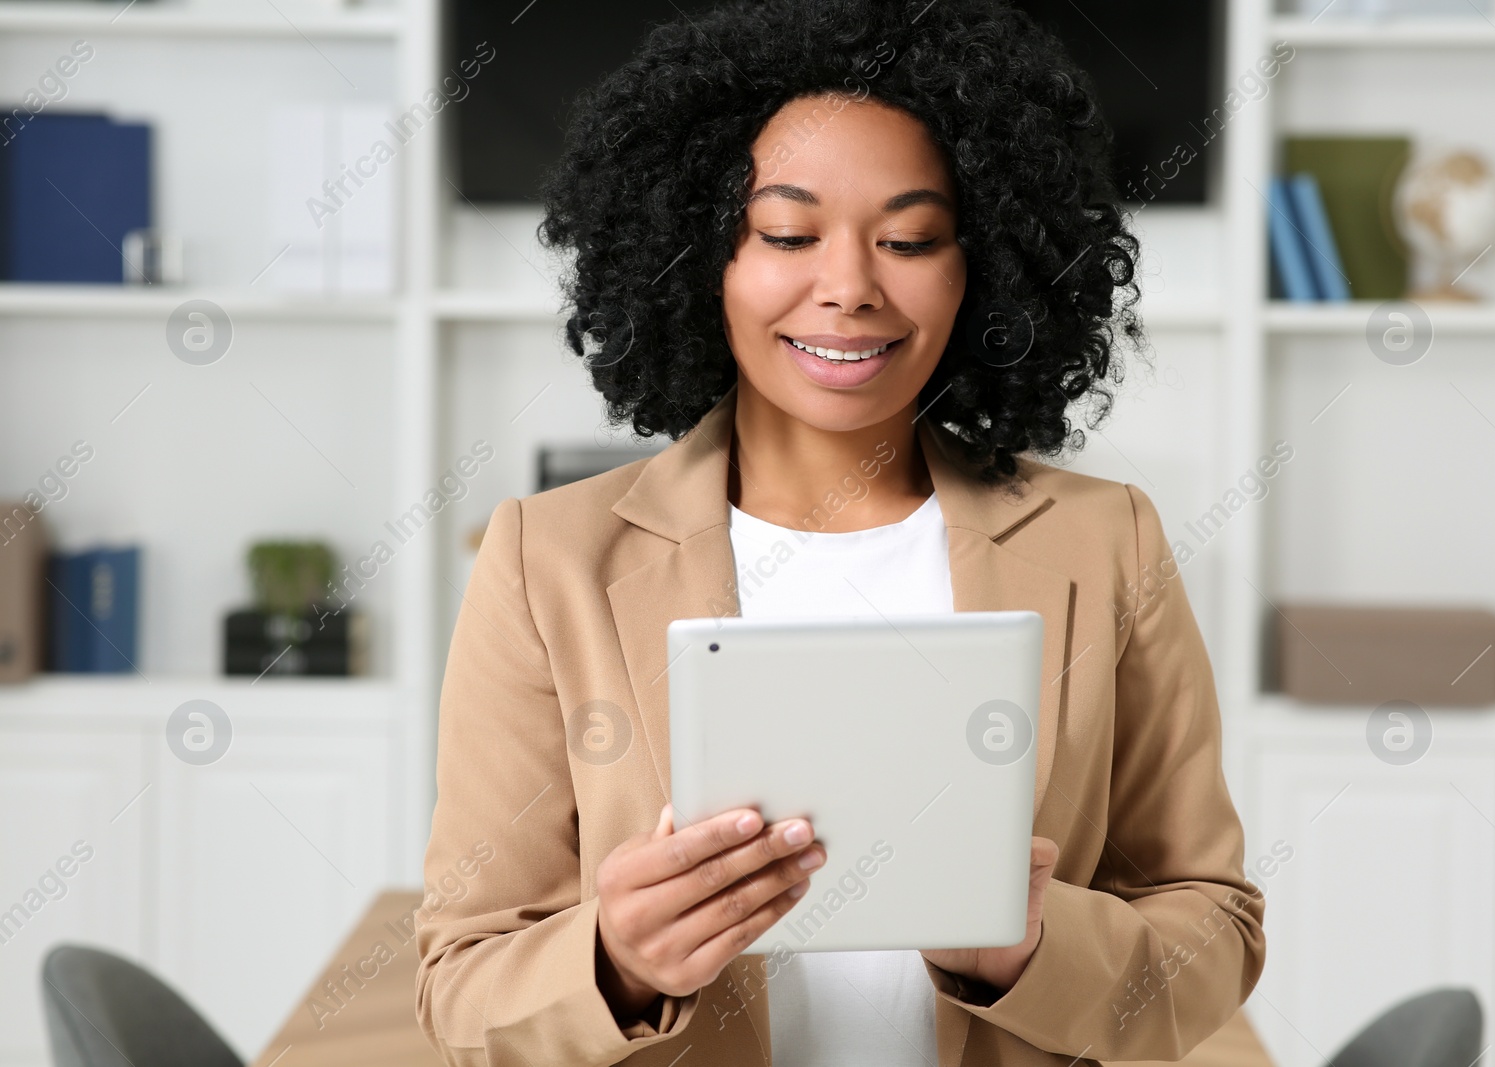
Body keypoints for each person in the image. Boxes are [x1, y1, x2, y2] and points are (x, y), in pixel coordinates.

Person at [414, 1, 1266, 1065]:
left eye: (909, 238)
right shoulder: (549, 560)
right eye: (785, 233)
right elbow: (461, 984)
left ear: (981, 265)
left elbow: (1213, 930)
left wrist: (1035, 945)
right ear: (698, 255)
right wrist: (616, 960)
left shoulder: (1106, 542)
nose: (851, 287)